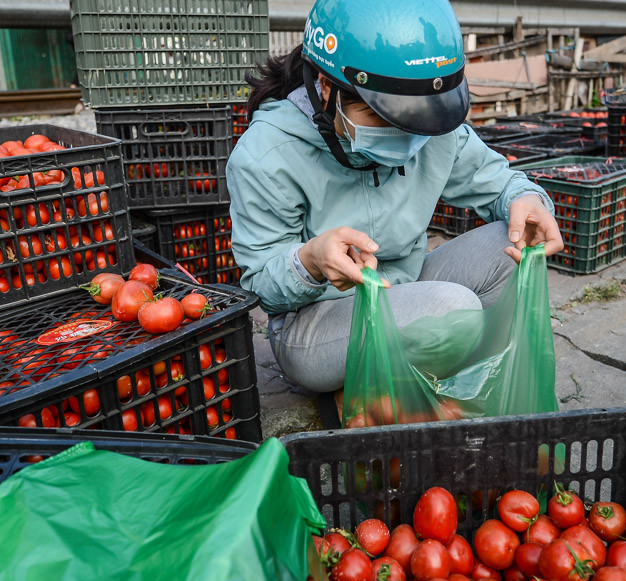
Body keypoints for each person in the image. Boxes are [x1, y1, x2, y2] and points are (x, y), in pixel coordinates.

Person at [226, 0, 563, 426]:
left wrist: (528, 201)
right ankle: (381, 394)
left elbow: (497, 180)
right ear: (327, 90)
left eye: (415, 119)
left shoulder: (429, 126)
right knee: (451, 309)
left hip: (408, 284)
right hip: (316, 324)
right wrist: (308, 262)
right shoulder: (266, 154)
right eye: (383, 117)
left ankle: (442, 393)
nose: (406, 132)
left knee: (510, 248)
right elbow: (262, 282)